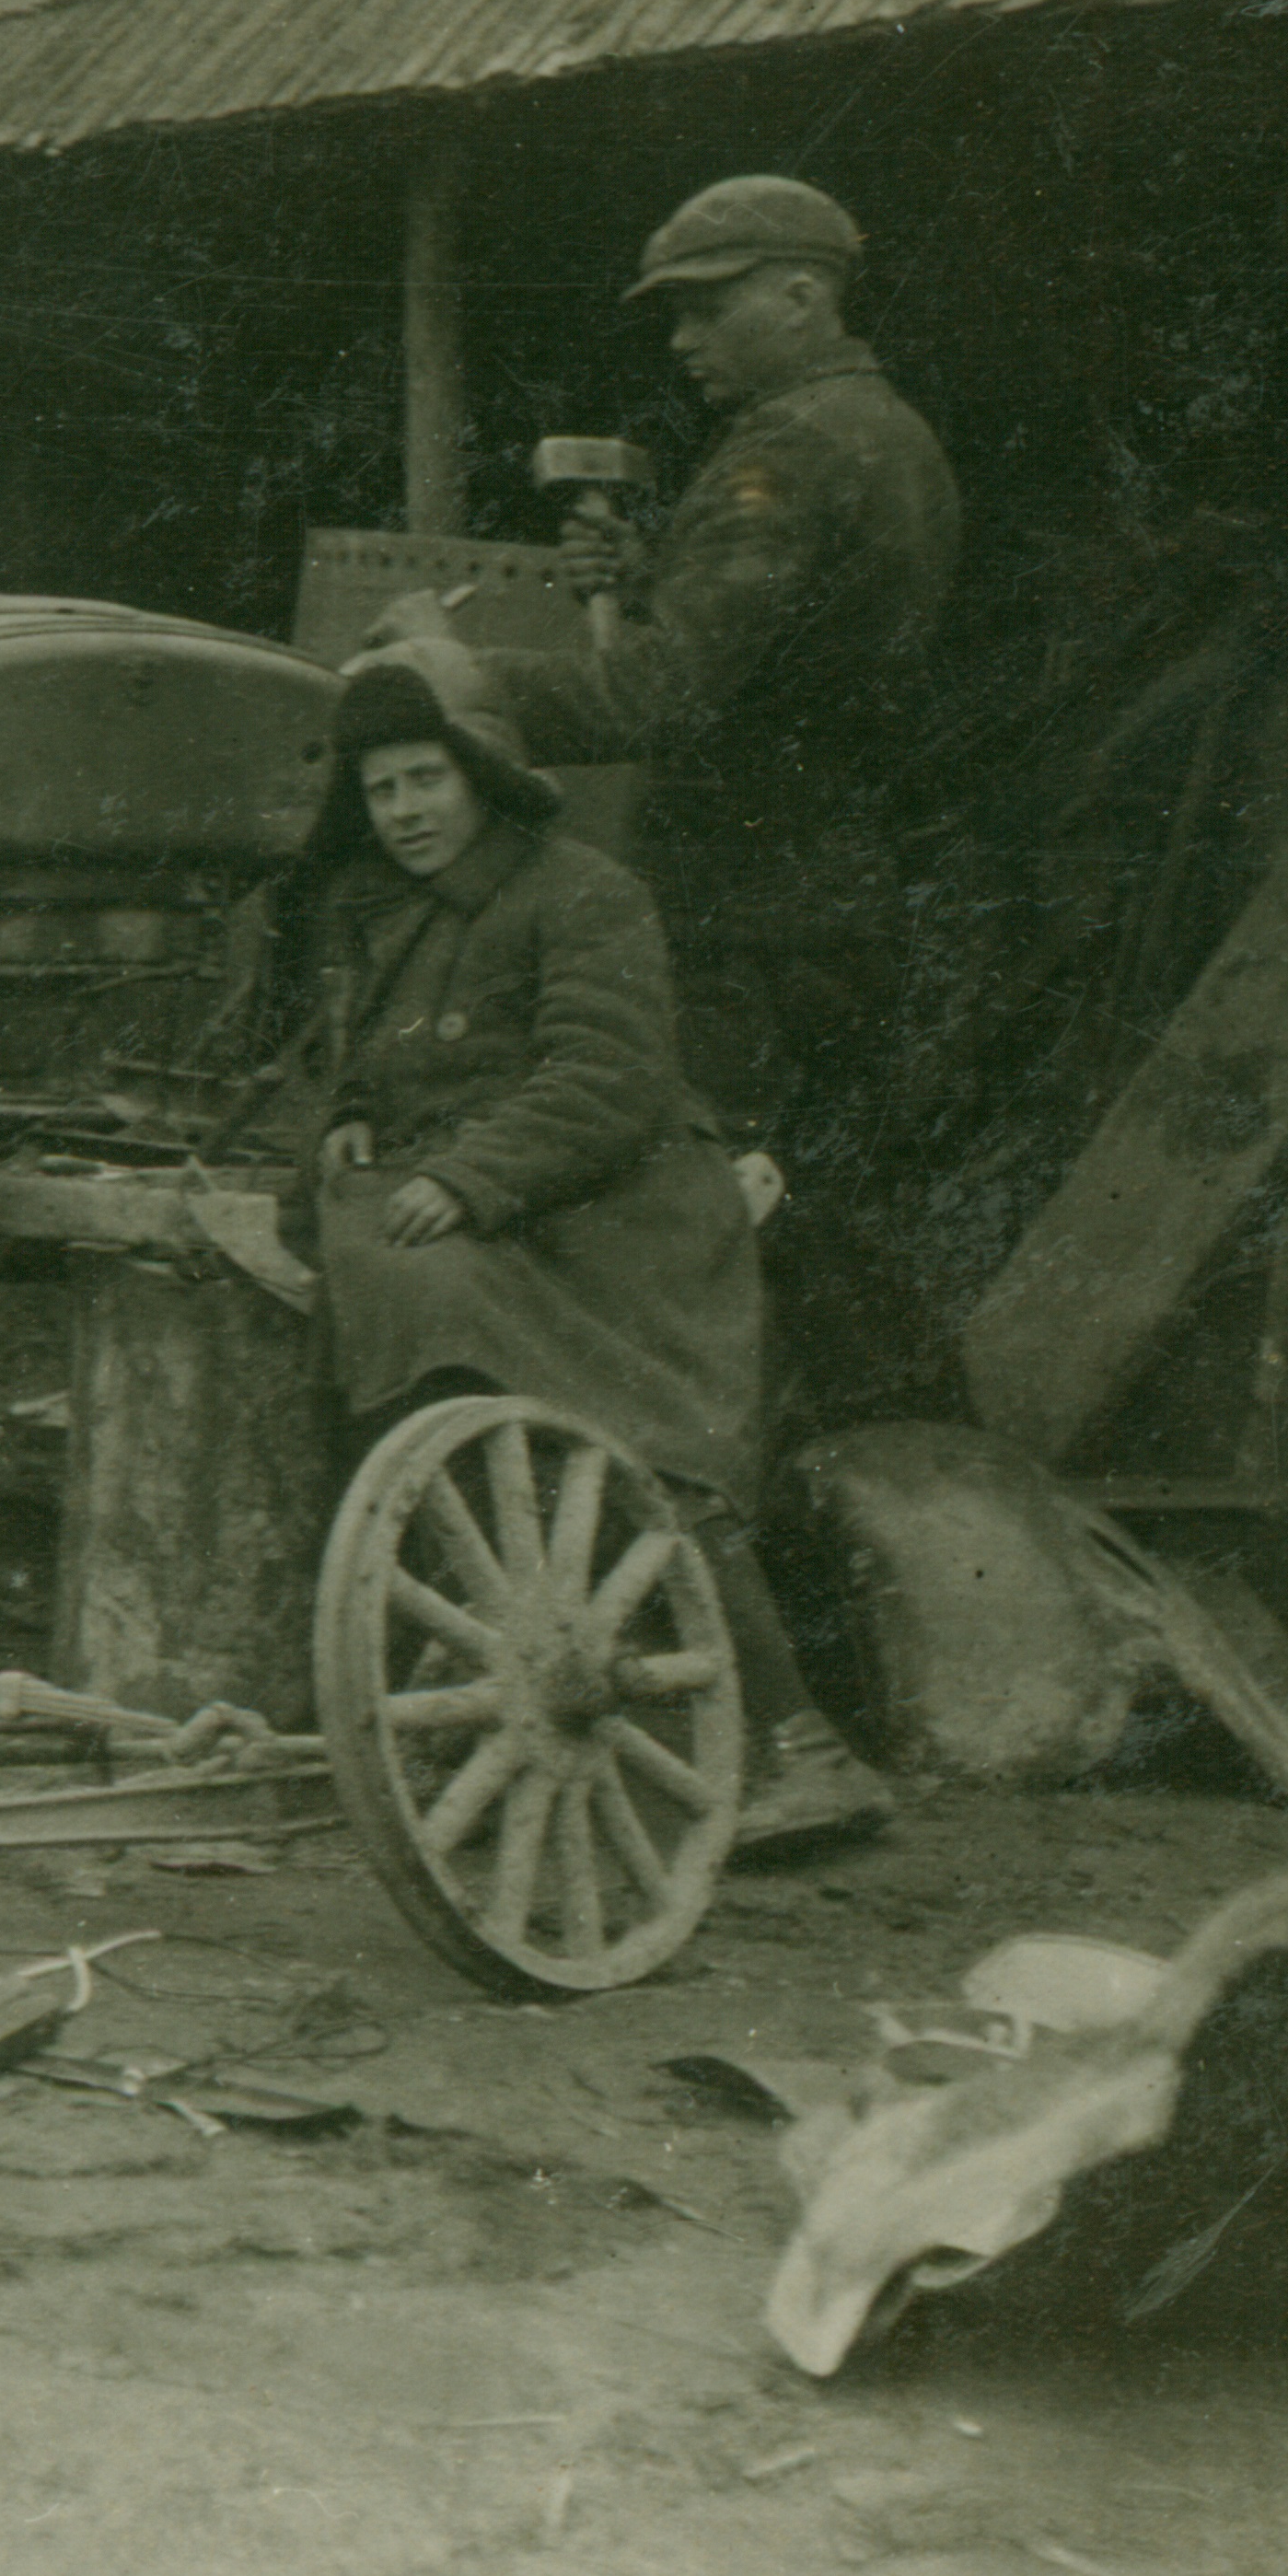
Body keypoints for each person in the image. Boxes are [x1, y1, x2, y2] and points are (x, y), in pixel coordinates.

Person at [261, 641, 892, 1846]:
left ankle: (794, 1743)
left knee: (626, 1430)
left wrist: (465, 1173)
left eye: (426, 782)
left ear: (484, 775)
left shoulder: (584, 892)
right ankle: (448, 1705)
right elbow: (370, 1070)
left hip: (619, 1228)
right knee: (408, 1308)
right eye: (382, 790)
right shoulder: (390, 922)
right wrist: (348, 1123)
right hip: (496, 1215)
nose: (403, 814)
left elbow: (606, 1081)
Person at [389, 176, 960, 1379]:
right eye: (675, 316)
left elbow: (661, 695)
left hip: (739, 904)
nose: (683, 341)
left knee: (685, 1218)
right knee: (813, 1208)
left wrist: (458, 678)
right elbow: (797, 646)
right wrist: (654, 570)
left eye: (709, 309)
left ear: (804, 296)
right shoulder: (890, 431)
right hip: (838, 883)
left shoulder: (786, 451)